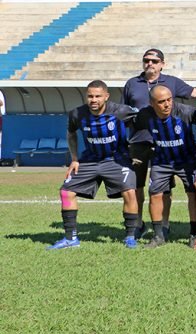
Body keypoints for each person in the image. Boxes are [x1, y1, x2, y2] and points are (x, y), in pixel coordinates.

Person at [48, 81, 140, 249]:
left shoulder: (121, 111)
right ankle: (70, 238)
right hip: (89, 160)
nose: (94, 99)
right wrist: (74, 159)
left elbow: (144, 119)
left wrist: (136, 151)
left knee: (130, 192)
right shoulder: (77, 114)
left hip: (117, 160)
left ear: (106, 96)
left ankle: (130, 236)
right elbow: (71, 134)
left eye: (98, 96)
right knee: (66, 192)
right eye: (90, 96)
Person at [123, 48, 196, 239]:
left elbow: (195, 93)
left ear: (162, 64)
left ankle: (164, 225)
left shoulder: (171, 82)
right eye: (146, 60)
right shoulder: (132, 83)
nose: (150, 63)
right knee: (137, 186)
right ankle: (139, 223)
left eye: (154, 61)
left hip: (167, 144)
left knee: (164, 188)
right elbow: (125, 111)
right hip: (139, 141)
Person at [132, 85, 196, 249]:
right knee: (154, 194)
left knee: (193, 194)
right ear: (152, 103)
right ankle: (158, 235)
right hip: (161, 161)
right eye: (161, 102)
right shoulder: (144, 115)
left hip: (187, 160)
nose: (167, 104)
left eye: (169, 100)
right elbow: (133, 127)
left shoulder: (187, 112)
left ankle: (194, 234)